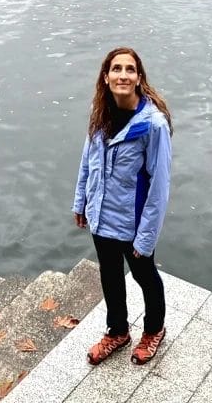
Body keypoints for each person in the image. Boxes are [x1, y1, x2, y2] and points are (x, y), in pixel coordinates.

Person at [72, 47, 173, 366]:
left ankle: (154, 330)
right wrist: (81, 200)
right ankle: (117, 331)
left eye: (130, 69)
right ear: (106, 76)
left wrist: (146, 237)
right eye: (116, 69)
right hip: (101, 216)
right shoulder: (99, 112)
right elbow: (87, 158)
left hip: (133, 222)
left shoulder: (153, 125)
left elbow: (159, 187)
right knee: (110, 275)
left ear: (138, 78)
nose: (123, 75)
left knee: (145, 277)